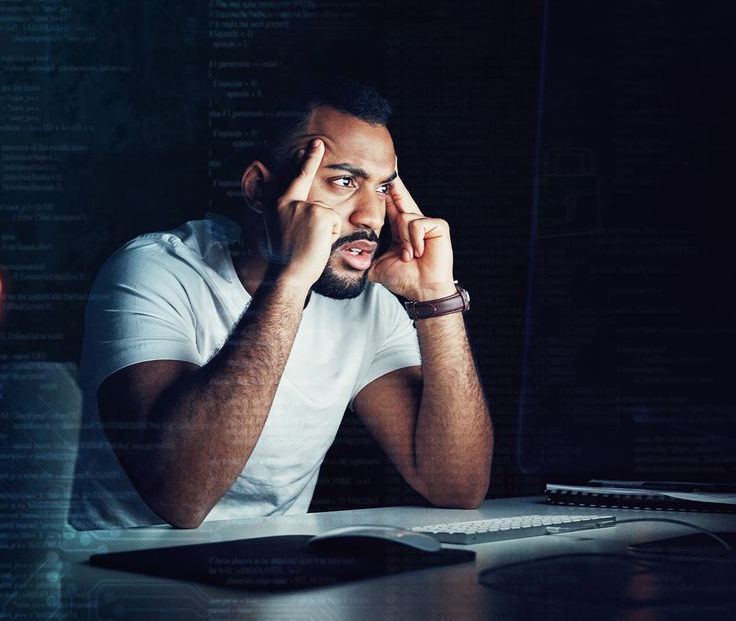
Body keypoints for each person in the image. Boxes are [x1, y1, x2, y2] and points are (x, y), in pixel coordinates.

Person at [68, 77, 493, 530]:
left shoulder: (369, 305)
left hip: (268, 574)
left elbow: (457, 487)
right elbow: (179, 497)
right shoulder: (155, 269)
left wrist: (437, 299)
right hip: (122, 577)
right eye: (344, 181)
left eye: (383, 189)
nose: (371, 217)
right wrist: (291, 279)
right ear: (257, 189)